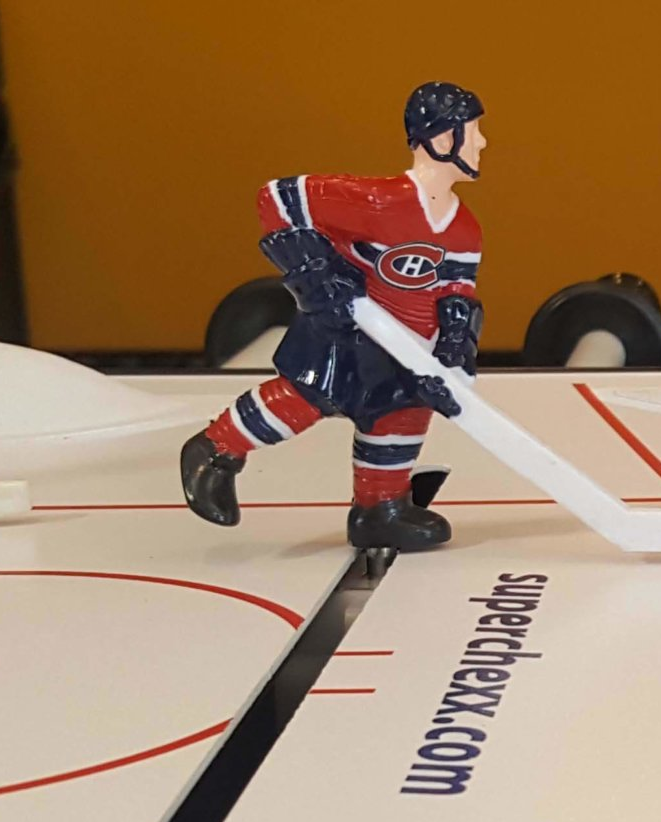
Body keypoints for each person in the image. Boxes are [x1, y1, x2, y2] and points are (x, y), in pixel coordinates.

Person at [179, 82, 486, 551]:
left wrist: (453, 345)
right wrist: (315, 272)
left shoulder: (465, 228)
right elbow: (276, 199)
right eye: (474, 130)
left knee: (401, 416)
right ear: (444, 138)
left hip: (408, 348)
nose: (481, 142)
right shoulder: (377, 199)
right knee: (306, 398)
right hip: (348, 334)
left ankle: (379, 510)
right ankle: (216, 450)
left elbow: (456, 291)